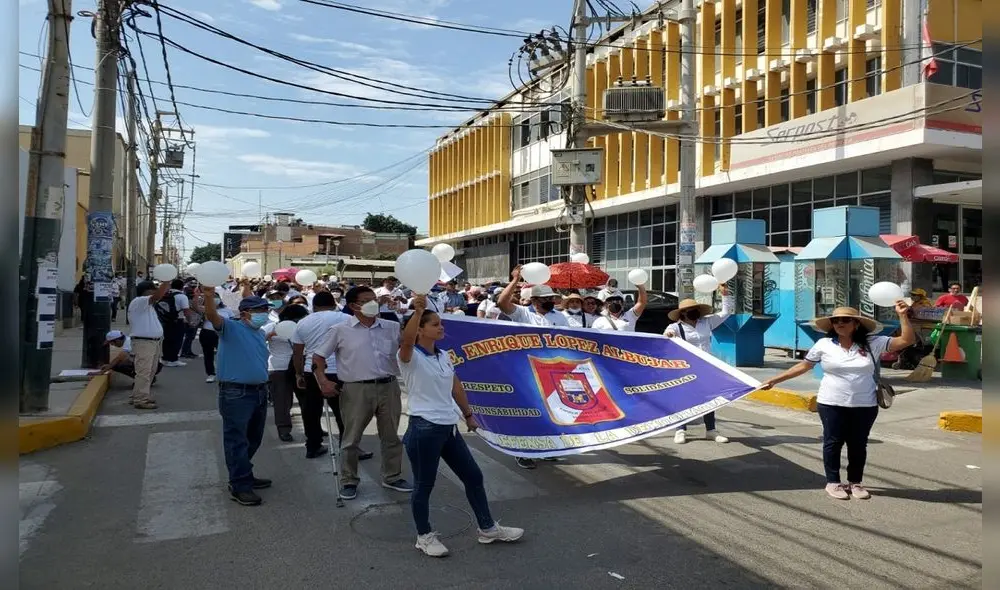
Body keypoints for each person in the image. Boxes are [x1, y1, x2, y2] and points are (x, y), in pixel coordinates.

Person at [398, 295, 524, 557]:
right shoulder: (410, 357)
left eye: (441, 324)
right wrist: (418, 312)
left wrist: (468, 415)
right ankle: (424, 536)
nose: (441, 328)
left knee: (473, 476)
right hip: (424, 428)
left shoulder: (444, 355)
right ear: (420, 329)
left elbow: (455, 387)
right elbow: (407, 341)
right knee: (424, 484)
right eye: (435, 324)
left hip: (449, 427)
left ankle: (487, 528)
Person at [758, 302, 914, 500]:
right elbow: (803, 366)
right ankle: (833, 482)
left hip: (864, 405)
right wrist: (774, 380)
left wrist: (903, 315)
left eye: (845, 320)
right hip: (831, 403)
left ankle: (855, 482)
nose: (840, 323)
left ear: (856, 324)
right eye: (836, 320)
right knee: (833, 442)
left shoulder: (873, 342)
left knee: (858, 445)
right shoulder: (823, 344)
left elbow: (906, 340)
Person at [313, 286, 412, 499]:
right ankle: (349, 480)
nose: (373, 303)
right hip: (356, 389)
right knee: (351, 438)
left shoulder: (391, 327)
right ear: (353, 306)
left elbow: (407, 350)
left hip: (388, 386)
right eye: (366, 300)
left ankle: (392, 476)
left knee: (391, 436)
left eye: (374, 299)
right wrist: (323, 380)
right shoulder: (340, 330)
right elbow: (318, 356)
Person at [202, 287, 273, 507]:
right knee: (237, 440)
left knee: (253, 438)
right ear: (244, 314)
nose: (264, 314)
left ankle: (243, 473)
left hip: (259, 391)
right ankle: (239, 484)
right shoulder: (231, 328)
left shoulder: (259, 333)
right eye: (259, 311)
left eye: (265, 310)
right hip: (236, 393)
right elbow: (212, 315)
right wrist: (208, 296)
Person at [496, 266, 568, 469]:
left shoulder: (560, 317)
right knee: (527, 412)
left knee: (550, 411)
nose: (550, 301)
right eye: (545, 298)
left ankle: (546, 448)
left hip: (553, 370)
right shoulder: (523, 314)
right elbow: (502, 303)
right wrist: (515, 280)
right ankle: (522, 451)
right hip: (526, 371)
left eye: (551, 298)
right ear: (535, 300)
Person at [664, 291, 734, 444]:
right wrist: (669, 334)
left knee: (709, 398)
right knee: (683, 398)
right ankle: (680, 429)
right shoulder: (675, 327)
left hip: (706, 366)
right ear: (683, 313)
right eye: (690, 311)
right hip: (686, 367)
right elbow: (667, 334)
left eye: (695, 309)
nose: (694, 312)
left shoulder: (706, 322)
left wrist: (725, 295)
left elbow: (726, 312)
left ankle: (711, 430)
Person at [291, 291, 353, 458]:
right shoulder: (346, 319)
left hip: (311, 370)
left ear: (314, 306)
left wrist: (298, 374)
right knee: (344, 412)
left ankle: (313, 445)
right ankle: (348, 446)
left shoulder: (303, 322)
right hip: (339, 370)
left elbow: (297, 352)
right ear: (333, 304)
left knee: (311, 411)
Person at [264, 303, 310, 442]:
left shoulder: (303, 328)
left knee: (308, 400)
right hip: (279, 367)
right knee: (282, 401)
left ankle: (313, 428)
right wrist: (270, 335)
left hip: (300, 366)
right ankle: (284, 429)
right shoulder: (271, 327)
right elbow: (256, 340)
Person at [126, 280, 171, 409]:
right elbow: (157, 296)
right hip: (144, 342)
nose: (156, 291)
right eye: (154, 289)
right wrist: (166, 281)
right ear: (147, 291)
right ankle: (141, 399)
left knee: (150, 370)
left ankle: (138, 394)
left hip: (152, 342)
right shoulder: (139, 301)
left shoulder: (147, 306)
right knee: (144, 371)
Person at [193, 291, 234, 383]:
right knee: (208, 354)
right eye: (212, 297)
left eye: (216, 297)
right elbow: (195, 307)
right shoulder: (205, 309)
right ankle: (211, 374)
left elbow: (232, 321)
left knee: (224, 354)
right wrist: (196, 296)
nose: (214, 299)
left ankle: (225, 373)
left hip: (222, 334)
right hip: (207, 333)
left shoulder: (227, 309)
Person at [158, 279, 193, 367]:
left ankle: (165, 358)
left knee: (167, 339)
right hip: (177, 320)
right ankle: (173, 359)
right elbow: (186, 311)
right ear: (182, 287)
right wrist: (190, 321)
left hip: (166, 319)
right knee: (177, 340)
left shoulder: (166, 294)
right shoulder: (182, 296)